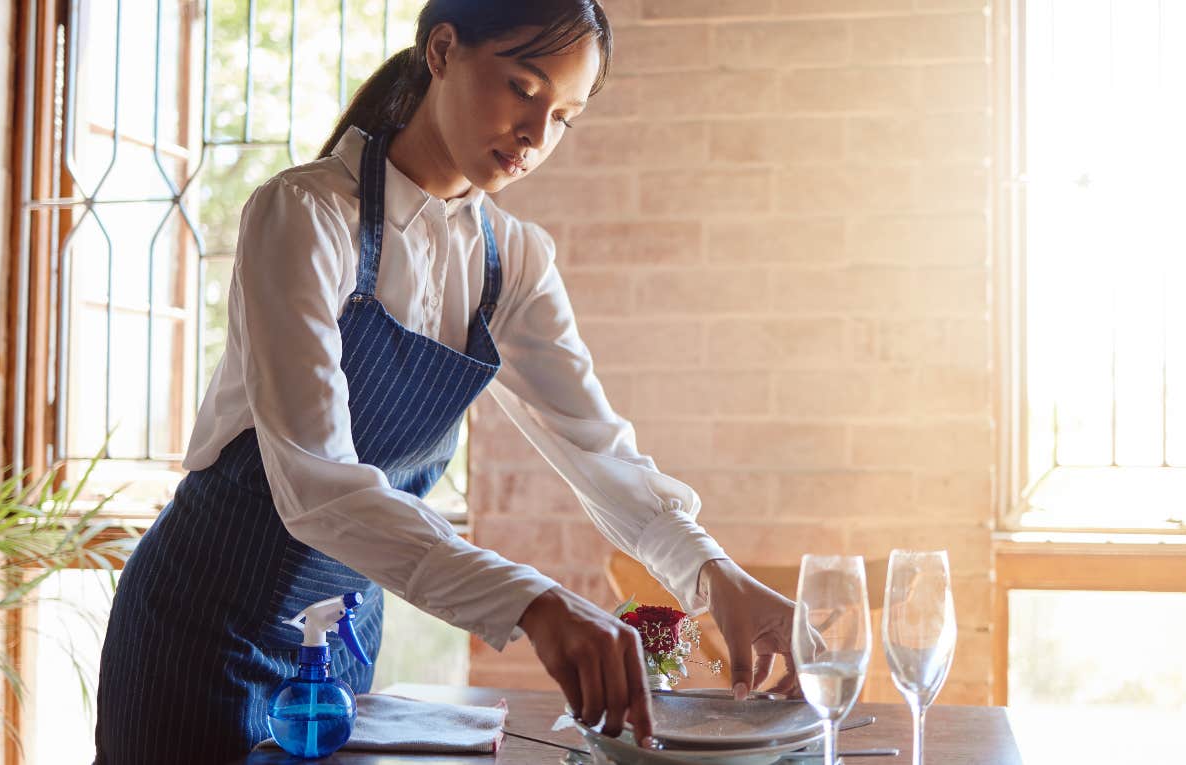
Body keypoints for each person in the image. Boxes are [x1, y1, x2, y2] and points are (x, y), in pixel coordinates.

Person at [94, 2, 796, 762]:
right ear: (442, 50)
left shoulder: (515, 262)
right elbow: (318, 488)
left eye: (563, 116)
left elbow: (600, 455)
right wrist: (534, 601)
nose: (536, 135)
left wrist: (714, 572)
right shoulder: (304, 215)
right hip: (199, 627)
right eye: (522, 88)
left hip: (341, 643)